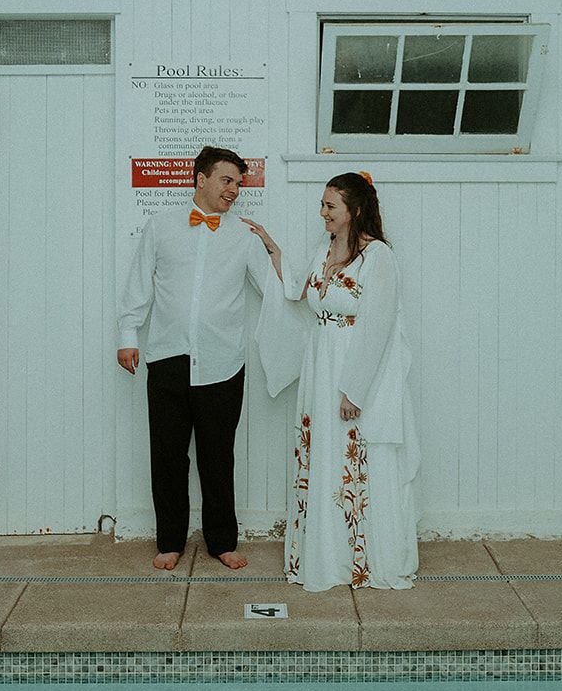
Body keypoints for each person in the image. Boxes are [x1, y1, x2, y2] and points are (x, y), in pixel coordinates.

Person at [248, 172, 419, 591]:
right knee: (322, 453)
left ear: (354, 211)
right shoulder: (324, 249)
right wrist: (269, 245)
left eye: (330, 206)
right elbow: (296, 289)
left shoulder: (377, 257)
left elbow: (377, 327)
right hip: (319, 365)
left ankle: (358, 560)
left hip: (352, 369)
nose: (322, 213)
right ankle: (324, 556)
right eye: (322, 205)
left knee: (351, 457)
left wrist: (354, 390)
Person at [117, 146, 282, 571]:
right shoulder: (161, 226)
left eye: (239, 184)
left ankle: (221, 542)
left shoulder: (243, 236)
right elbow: (139, 285)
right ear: (201, 179)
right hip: (167, 358)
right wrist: (126, 335)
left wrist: (272, 248)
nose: (234, 191)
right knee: (168, 456)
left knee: (217, 456)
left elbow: (276, 293)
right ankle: (170, 541)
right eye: (227, 181)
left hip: (223, 363)